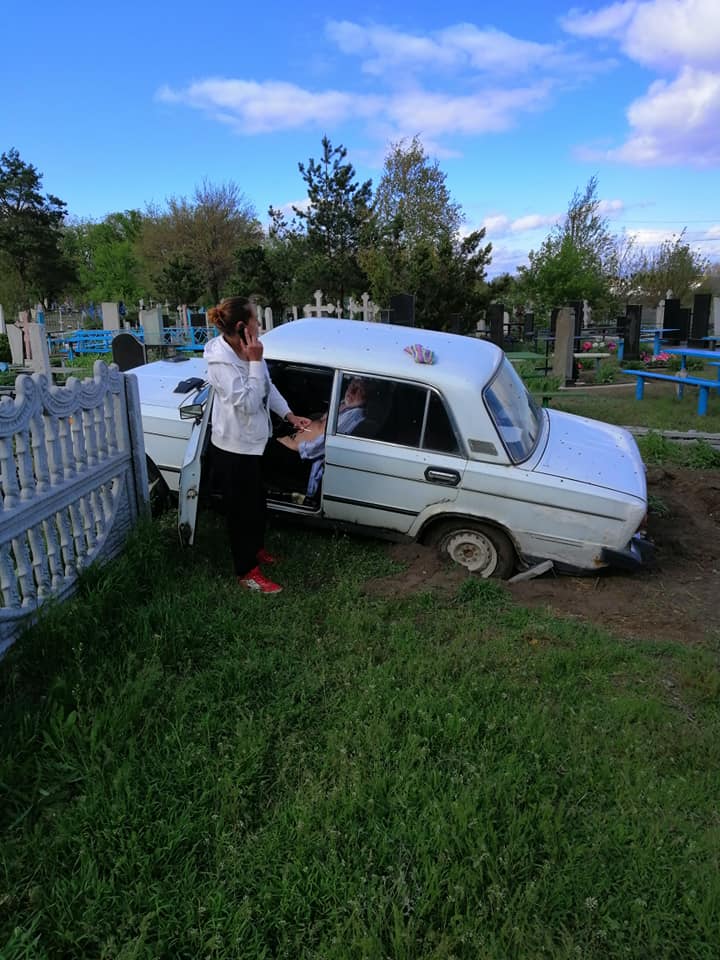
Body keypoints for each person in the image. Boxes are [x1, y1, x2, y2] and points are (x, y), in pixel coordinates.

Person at [204, 297, 311, 594]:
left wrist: (288, 414)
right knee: (241, 511)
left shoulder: (250, 351)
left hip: (254, 443)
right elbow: (250, 405)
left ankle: (256, 550)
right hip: (233, 449)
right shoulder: (221, 362)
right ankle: (246, 571)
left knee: (257, 502)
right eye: (256, 320)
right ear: (242, 326)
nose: (260, 325)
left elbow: (267, 386)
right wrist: (253, 361)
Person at [276, 377, 367, 498]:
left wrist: (292, 443)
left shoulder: (354, 416)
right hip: (295, 443)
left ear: (367, 397)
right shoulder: (344, 404)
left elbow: (323, 444)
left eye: (360, 389)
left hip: (300, 457)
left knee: (261, 450)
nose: (353, 390)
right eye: (353, 384)